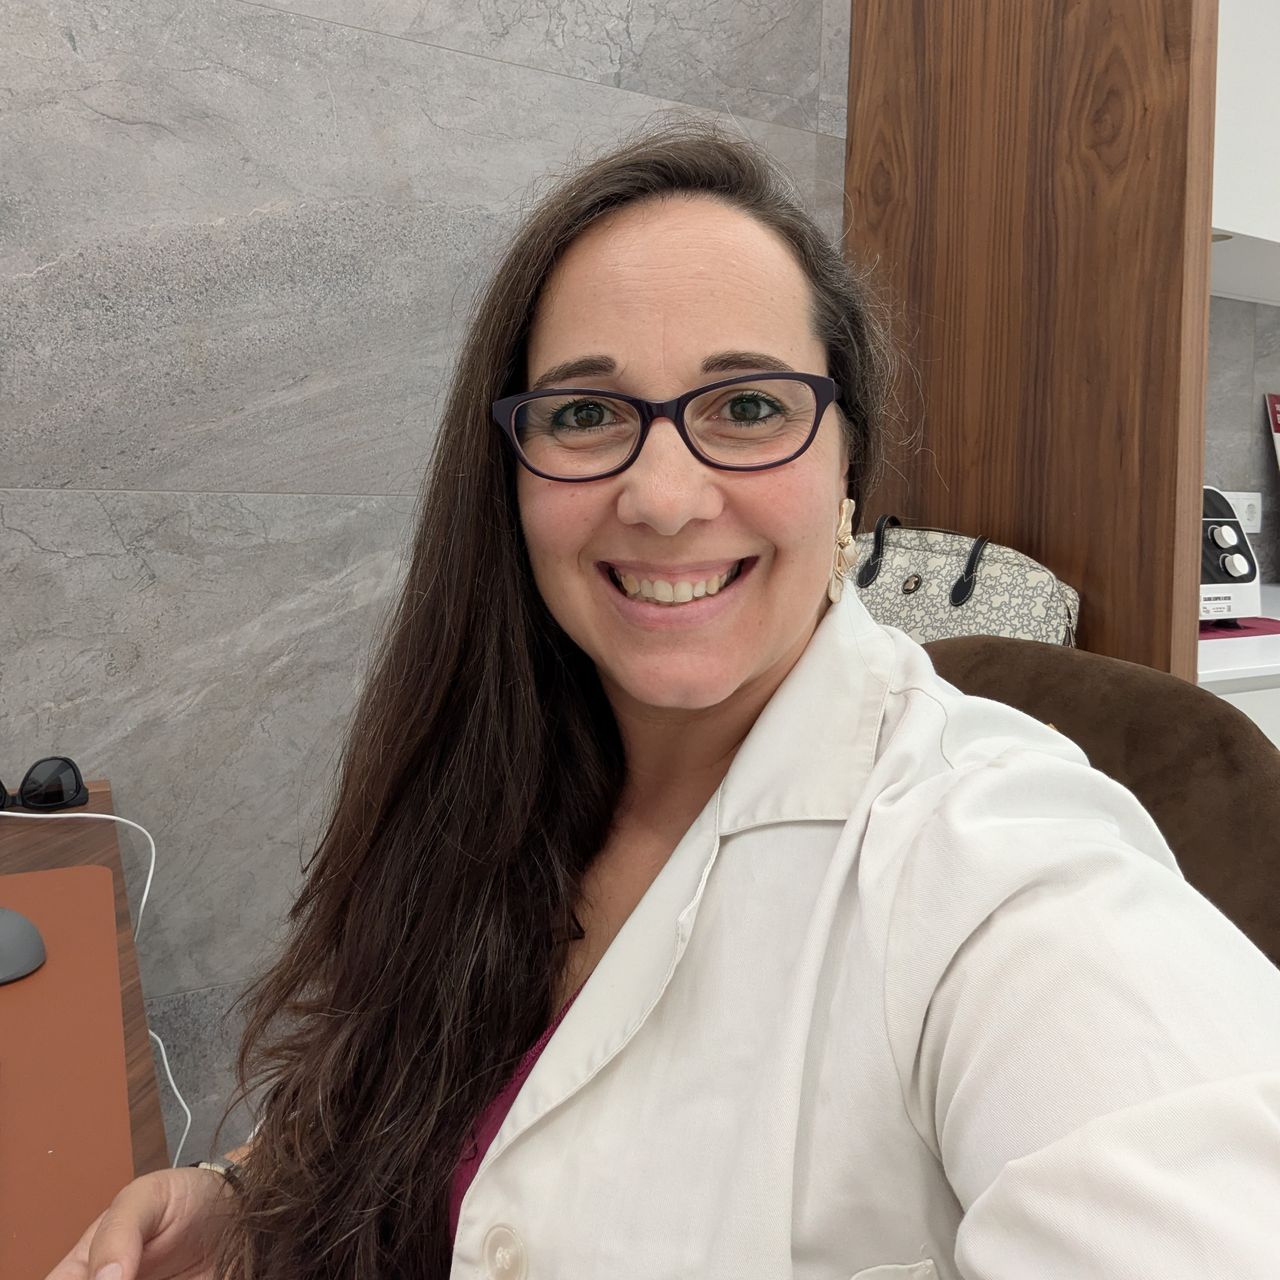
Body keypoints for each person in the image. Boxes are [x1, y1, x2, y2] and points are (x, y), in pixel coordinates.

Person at [49, 113, 1280, 1280]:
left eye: (746, 407)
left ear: (847, 461)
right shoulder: (493, 772)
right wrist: (252, 1190)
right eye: (586, 414)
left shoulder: (993, 860)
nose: (664, 496)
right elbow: (448, 1101)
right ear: (512, 476)